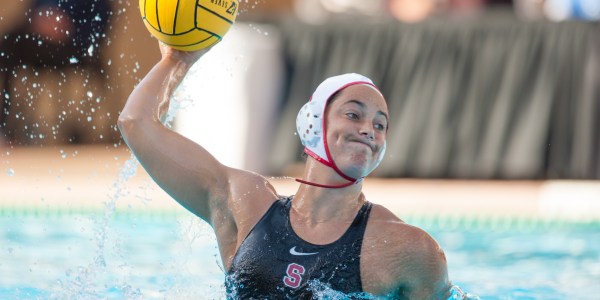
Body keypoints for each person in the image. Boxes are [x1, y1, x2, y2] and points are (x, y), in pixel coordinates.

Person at [118, 42, 451, 299]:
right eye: (353, 115)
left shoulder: (407, 248)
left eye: (380, 125)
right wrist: (177, 60)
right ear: (313, 123)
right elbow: (135, 123)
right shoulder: (246, 203)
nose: (369, 130)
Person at [0, 0, 112, 143]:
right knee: (10, 42)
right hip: (40, 41)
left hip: (74, 45)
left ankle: (6, 126)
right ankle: (5, 126)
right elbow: (31, 12)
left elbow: (102, 20)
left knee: (14, 42)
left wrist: (68, 29)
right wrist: (40, 21)